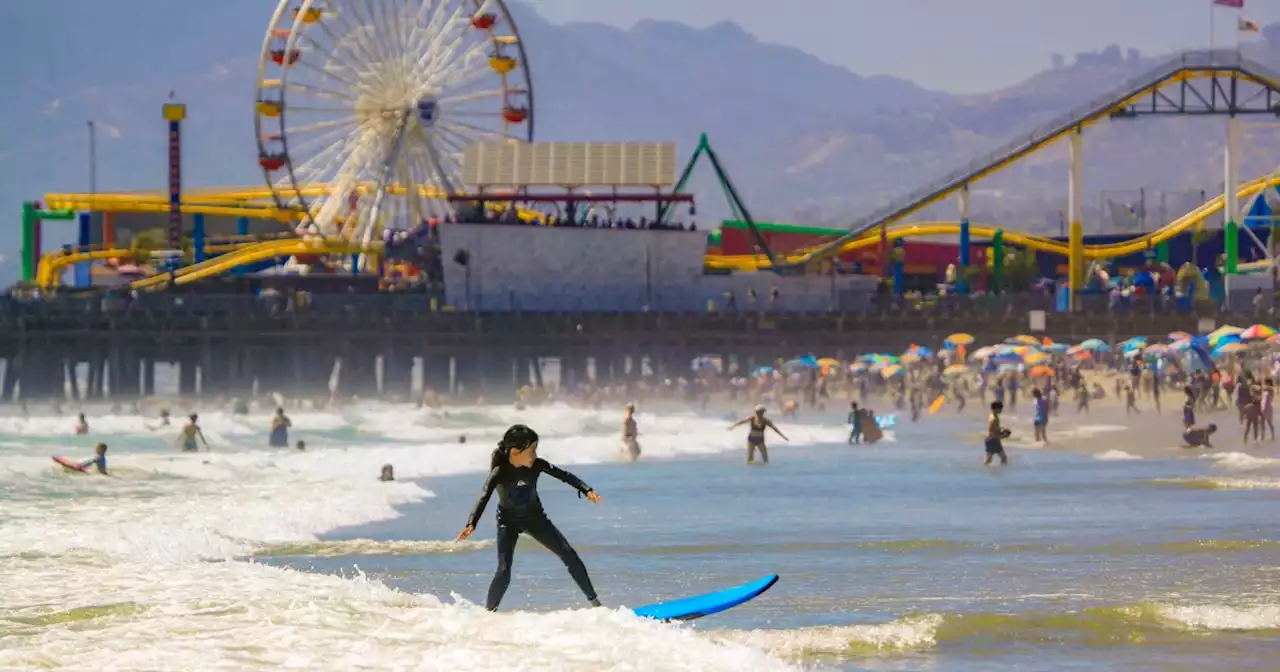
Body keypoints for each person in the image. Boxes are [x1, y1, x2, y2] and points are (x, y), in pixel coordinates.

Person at [457, 424, 603, 612]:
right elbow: (484, 496)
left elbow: (563, 475)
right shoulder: (500, 472)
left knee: (569, 555)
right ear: (516, 452)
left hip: (535, 519)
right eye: (532, 450)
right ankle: (488, 614)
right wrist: (471, 523)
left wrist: (586, 489)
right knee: (503, 570)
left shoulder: (537, 465)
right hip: (507, 522)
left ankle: (596, 604)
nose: (535, 454)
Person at [984, 401, 1011, 466]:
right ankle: (1002, 472)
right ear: (996, 409)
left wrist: (1002, 430)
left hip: (989, 440)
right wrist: (1003, 436)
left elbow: (994, 428)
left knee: (988, 460)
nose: (1001, 410)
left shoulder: (991, 415)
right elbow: (991, 432)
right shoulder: (994, 419)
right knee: (1004, 458)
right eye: (1000, 409)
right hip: (993, 440)